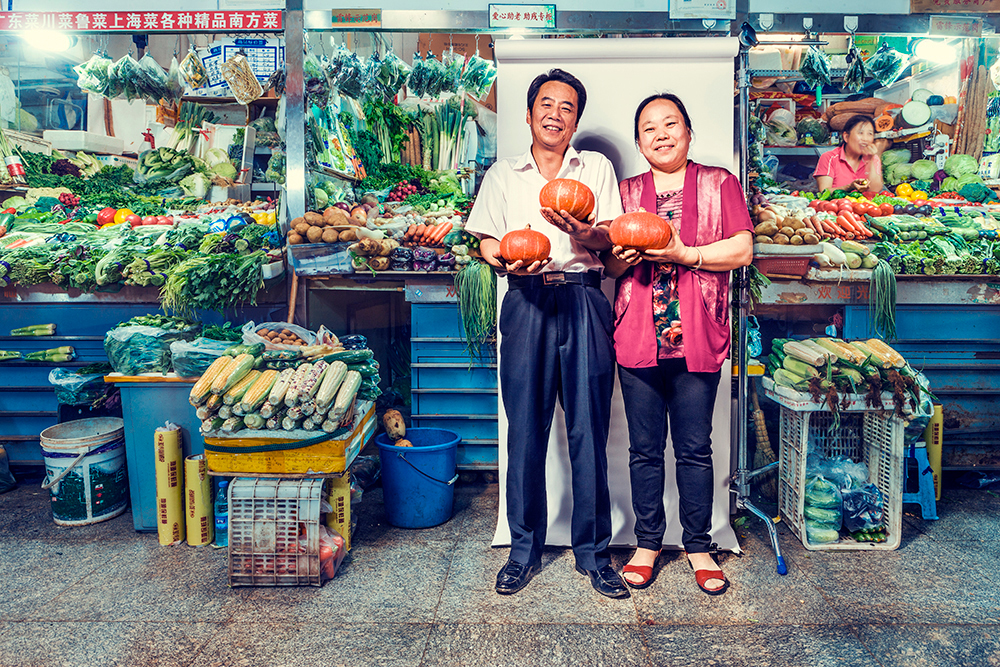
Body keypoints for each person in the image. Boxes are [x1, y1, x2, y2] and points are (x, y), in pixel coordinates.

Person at [465, 68, 628, 599]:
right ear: (530, 114)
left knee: (588, 432)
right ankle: (522, 551)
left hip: (584, 298)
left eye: (567, 107)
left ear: (576, 119)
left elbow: (611, 237)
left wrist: (585, 233)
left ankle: (595, 555)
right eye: (546, 105)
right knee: (527, 432)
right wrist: (506, 259)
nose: (556, 114)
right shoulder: (503, 174)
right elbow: (486, 241)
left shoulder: (596, 168)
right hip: (525, 299)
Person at [603, 93, 753, 596]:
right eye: (649, 127)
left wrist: (683, 252)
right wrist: (626, 257)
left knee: (693, 449)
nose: (661, 134)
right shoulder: (625, 192)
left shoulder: (719, 183)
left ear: (689, 132)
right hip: (638, 334)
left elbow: (742, 248)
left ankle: (698, 545)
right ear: (639, 141)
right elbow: (609, 267)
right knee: (643, 450)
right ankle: (647, 544)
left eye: (671, 124)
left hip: (697, 334)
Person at [813, 114, 888, 194]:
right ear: (846, 137)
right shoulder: (829, 158)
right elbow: (824, 192)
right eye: (860, 133)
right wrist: (849, 187)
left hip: (865, 206)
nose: (865, 139)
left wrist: (871, 160)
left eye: (870, 134)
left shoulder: (874, 158)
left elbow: (875, 190)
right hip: (837, 206)